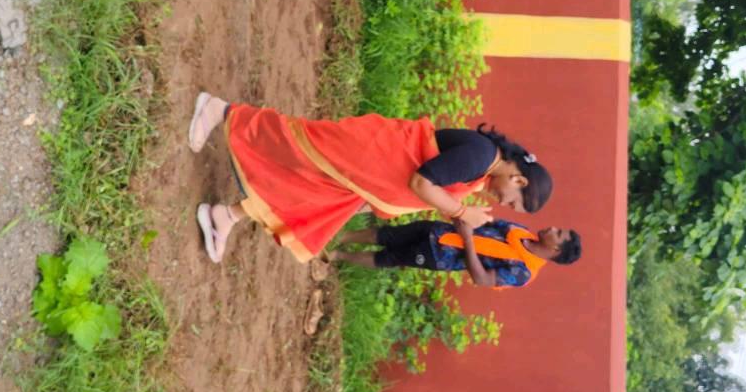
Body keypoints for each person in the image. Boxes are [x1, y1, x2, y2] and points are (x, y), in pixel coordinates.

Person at [187, 91, 553, 264]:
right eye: (512, 202)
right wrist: (461, 213)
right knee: (294, 146)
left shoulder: (481, 174)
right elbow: (422, 183)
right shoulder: (481, 157)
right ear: (519, 180)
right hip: (369, 153)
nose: (503, 204)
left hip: (368, 179)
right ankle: (222, 111)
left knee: (304, 196)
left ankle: (226, 216)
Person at [330, 219, 581, 288]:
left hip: (438, 255)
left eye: (557, 233)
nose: (552, 228)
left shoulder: (524, 272)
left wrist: (467, 240)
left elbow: (482, 279)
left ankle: (337, 257)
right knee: (389, 234)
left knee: (389, 258)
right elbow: (488, 222)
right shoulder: (522, 232)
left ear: (555, 250)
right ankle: (339, 236)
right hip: (439, 230)